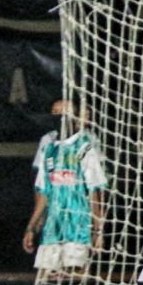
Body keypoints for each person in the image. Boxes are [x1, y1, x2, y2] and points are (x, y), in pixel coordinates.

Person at [22, 99, 107, 275]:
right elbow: (43, 193)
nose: (58, 118)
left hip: (78, 226)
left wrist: (98, 230)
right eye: (55, 113)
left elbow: (94, 191)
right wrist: (31, 227)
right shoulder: (49, 149)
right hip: (53, 227)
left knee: (76, 275)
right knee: (48, 276)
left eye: (63, 114)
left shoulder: (84, 147)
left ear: (74, 119)